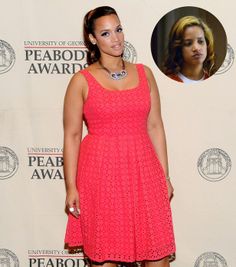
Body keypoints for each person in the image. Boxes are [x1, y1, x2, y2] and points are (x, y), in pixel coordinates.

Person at [63, 6, 176, 267]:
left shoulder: (144, 73)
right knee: (104, 257)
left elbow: (155, 126)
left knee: (157, 255)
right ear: (92, 39)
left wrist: (165, 177)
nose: (116, 39)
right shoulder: (81, 81)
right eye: (106, 33)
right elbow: (71, 135)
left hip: (144, 172)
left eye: (119, 29)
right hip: (100, 175)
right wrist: (71, 186)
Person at [163, 15, 215, 83]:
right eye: (188, 43)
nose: (196, 48)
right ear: (178, 48)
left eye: (200, 41)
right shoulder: (166, 82)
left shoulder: (216, 82)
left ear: (207, 44)